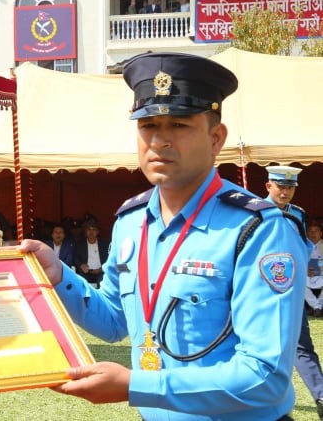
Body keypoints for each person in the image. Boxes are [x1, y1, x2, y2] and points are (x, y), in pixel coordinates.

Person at [19, 52, 310, 419]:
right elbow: (113, 322)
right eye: (147, 125)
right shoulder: (131, 220)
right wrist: (60, 277)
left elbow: (265, 377)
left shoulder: (259, 230)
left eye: (180, 125)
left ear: (216, 138)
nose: (159, 140)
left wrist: (135, 386)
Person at [264, 166, 323, 417]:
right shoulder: (252, 213)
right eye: (280, 186)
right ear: (269, 186)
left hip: (291, 292)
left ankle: (321, 396)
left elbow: (305, 248)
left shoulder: (297, 215)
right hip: (260, 294)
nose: (285, 192)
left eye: (290, 187)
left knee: (301, 346)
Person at [74, 219, 109, 288]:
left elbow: (110, 258)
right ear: (85, 232)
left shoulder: (105, 244)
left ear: (98, 232)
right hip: (85, 272)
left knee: (103, 284)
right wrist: (81, 265)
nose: (91, 232)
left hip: (101, 272)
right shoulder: (79, 244)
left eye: (94, 230)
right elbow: (75, 258)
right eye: (89, 229)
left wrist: (102, 269)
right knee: (81, 283)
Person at [307, 222, 323, 317]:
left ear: (321, 233)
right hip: (308, 275)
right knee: (298, 282)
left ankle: (317, 307)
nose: (313, 233)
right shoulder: (303, 245)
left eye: (316, 231)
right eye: (310, 231)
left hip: (322, 275)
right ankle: (316, 307)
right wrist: (305, 270)